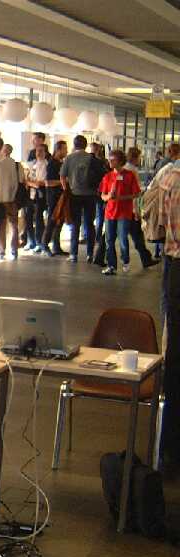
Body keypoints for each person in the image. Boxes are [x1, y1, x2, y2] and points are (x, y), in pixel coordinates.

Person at [156, 166, 180, 472]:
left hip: (175, 268)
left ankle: (170, 449)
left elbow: (161, 223)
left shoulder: (170, 177)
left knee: (175, 361)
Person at [99, 149, 143, 276]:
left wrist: (121, 198)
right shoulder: (107, 176)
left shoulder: (129, 175)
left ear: (120, 161)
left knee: (123, 238)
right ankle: (111, 265)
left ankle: (125, 260)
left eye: (113, 160)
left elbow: (137, 193)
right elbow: (102, 195)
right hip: (110, 213)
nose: (110, 162)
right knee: (109, 240)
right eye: (109, 159)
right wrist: (108, 197)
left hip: (124, 213)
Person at [60, 135, 102, 263]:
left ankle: (73, 254)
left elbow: (62, 176)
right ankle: (90, 254)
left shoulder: (69, 158)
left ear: (74, 144)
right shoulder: (92, 158)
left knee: (75, 224)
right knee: (89, 224)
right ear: (85, 145)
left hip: (75, 194)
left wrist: (66, 189)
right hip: (90, 194)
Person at [124, 146, 159, 270]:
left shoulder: (125, 168)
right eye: (139, 157)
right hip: (130, 208)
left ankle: (146, 258)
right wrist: (136, 210)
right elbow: (135, 192)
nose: (140, 159)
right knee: (137, 234)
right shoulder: (132, 170)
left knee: (113, 234)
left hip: (123, 207)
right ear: (135, 157)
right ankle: (146, 259)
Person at [0, 143, 23, 260]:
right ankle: (14, 249)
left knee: (1, 225)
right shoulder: (17, 165)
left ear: (3, 151)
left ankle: (2, 250)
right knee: (14, 225)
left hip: (1, 199)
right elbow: (22, 181)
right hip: (13, 199)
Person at [40, 140, 69, 256]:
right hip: (53, 197)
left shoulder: (61, 163)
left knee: (59, 221)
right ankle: (44, 244)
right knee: (52, 220)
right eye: (64, 149)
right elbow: (48, 182)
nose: (66, 151)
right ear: (58, 150)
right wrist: (63, 181)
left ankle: (56, 246)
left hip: (60, 196)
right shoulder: (52, 164)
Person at [23, 144, 50, 253]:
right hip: (31, 194)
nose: (38, 153)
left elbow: (40, 183)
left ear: (45, 152)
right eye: (37, 151)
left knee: (39, 218)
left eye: (41, 151)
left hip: (40, 195)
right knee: (28, 217)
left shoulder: (46, 164)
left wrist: (31, 183)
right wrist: (30, 182)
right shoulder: (33, 164)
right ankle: (31, 241)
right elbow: (28, 179)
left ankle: (39, 242)